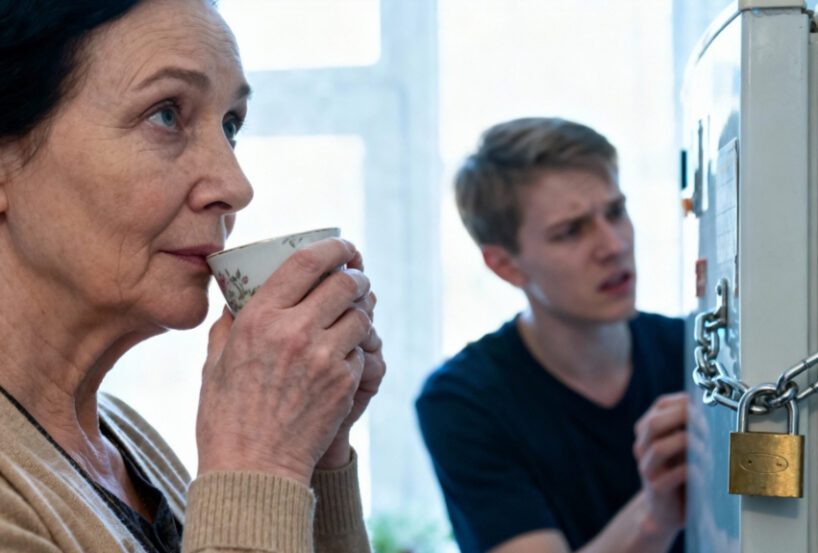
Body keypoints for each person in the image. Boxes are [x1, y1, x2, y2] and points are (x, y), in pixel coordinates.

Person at [0, 1, 385, 552]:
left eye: (231, 126)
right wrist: (260, 458)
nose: (236, 185)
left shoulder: (123, 438)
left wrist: (315, 456)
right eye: (165, 114)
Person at [415, 117, 687, 553]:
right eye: (571, 231)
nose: (613, 244)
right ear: (506, 265)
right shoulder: (464, 401)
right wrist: (654, 517)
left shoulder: (696, 351)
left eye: (616, 212)